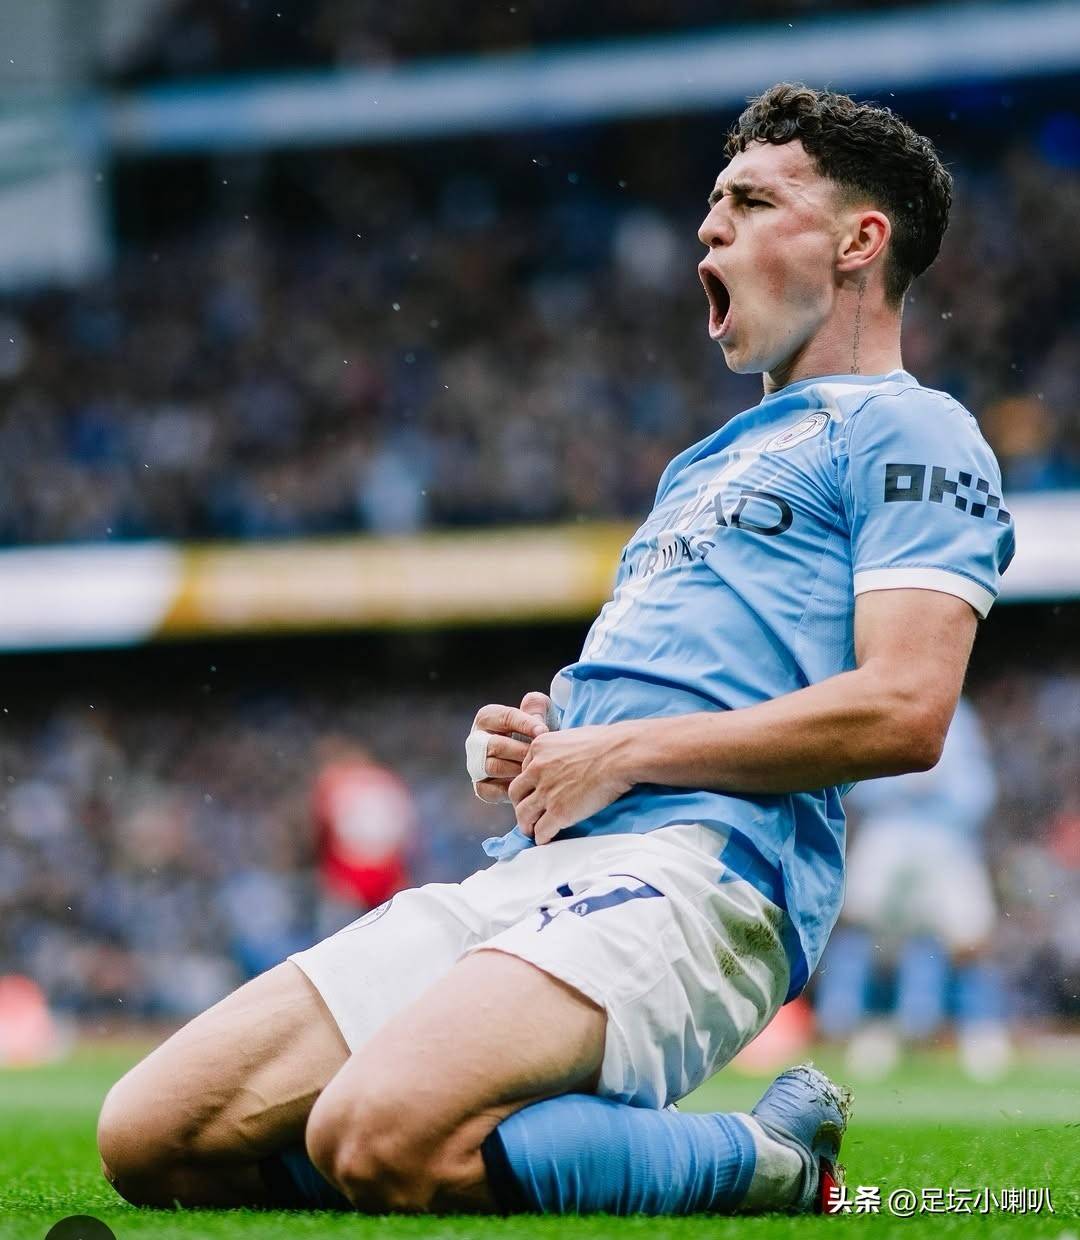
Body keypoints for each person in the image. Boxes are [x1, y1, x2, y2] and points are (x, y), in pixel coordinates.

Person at [96, 83, 1014, 1217]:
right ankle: (493, 1140)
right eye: (712, 203)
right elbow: (678, 687)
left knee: (375, 1135)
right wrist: (549, 741)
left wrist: (623, 752)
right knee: (153, 1138)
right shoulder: (701, 464)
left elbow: (906, 709)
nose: (708, 228)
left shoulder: (915, 428)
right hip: (539, 870)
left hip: (706, 873)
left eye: (750, 202)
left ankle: (765, 1160)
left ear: (858, 242)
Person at [816, 697, 1012, 1081]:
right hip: (888, 835)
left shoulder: (960, 715)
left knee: (963, 939)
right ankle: (852, 1026)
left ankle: (971, 1028)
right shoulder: (889, 699)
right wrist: (902, 787)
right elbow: (860, 781)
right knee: (863, 932)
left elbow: (979, 790)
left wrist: (940, 793)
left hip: (945, 838)